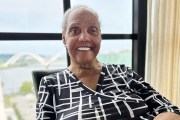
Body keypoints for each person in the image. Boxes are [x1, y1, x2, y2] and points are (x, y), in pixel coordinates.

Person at [36, 5, 180, 120]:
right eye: (75, 30)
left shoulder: (124, 72)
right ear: (63, 38)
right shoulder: (50, 84)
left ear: (100, 37)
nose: (84, 38)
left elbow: (169, 109)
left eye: (92, 30)